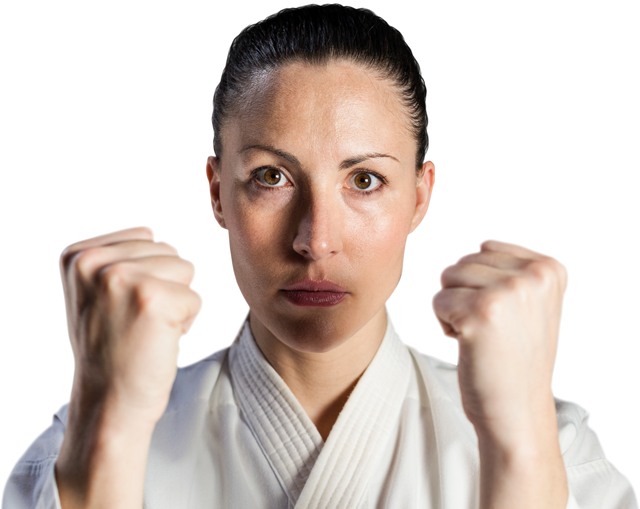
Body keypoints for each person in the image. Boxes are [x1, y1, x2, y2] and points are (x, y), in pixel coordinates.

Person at [2, 2, 637, 508]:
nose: (315, 239)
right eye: (271, 178)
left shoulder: (557, 452)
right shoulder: (79, 446)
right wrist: (106, 420)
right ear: (215, 193)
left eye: (364, 180)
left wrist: (518, 441)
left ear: (421, 197)